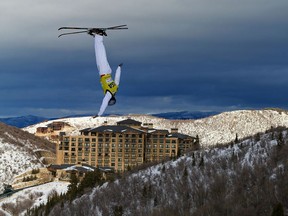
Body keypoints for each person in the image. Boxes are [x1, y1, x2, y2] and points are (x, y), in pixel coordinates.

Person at [88, 29, 122, 117]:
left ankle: (97, 38)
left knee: (99, 55)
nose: (108, 99)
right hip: (104, 72)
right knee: (100, 55)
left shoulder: (115, 89)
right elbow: (104, 103)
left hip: (104, 72)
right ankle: (99, 36)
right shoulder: (109, 93)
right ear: (111, 98)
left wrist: (119, 68)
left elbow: (117, 78)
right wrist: (99, 114)